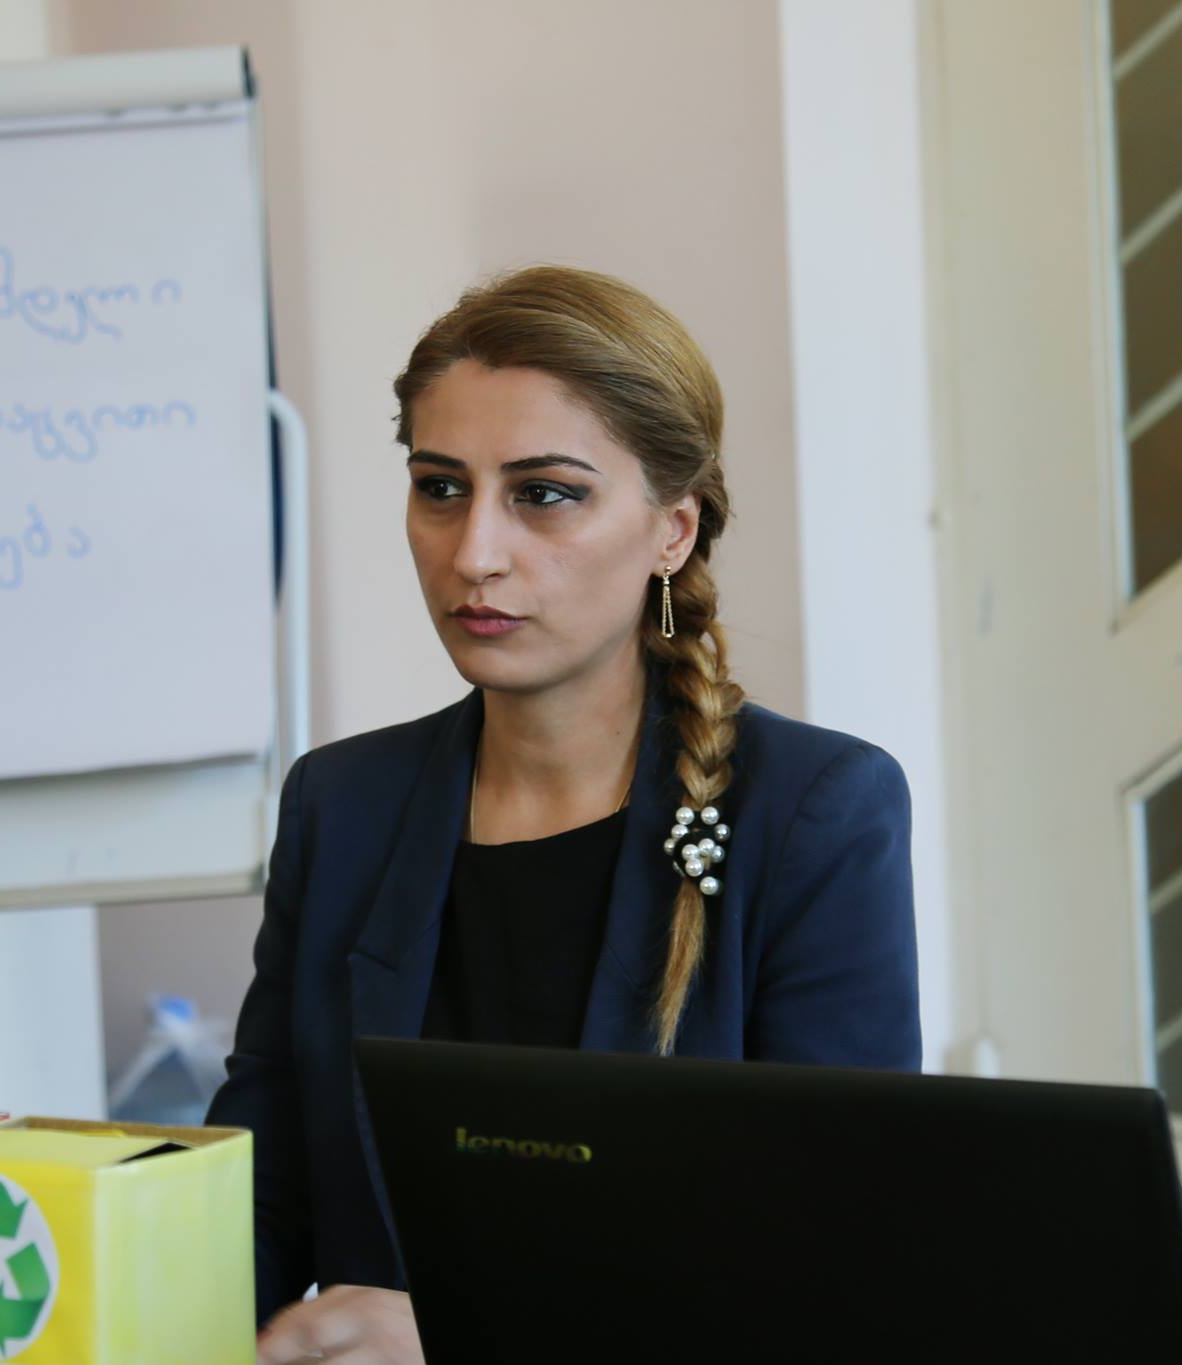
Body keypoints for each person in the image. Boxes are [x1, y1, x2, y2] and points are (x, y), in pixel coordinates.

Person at [208, 264, 920, 1365]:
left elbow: (836, 1271)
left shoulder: (815, 813)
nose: (473, 553)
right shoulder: (338, 807)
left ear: (671, 530)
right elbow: (255, 1204)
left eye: (543, 494)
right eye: (440, 487)